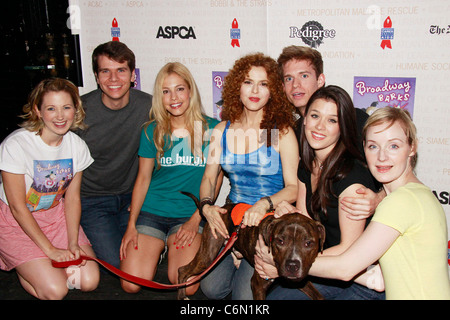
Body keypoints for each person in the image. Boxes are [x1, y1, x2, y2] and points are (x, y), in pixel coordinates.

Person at [257, 107, 450, 299]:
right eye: (373, 146)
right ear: (364, 147)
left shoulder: (401, 202)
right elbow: (381, 279)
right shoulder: (417, 194)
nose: (382, 157)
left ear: (412, 147)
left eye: (393, 146)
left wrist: (284, 264)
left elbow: (346, 268)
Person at [259, 85, 384, 300]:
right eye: (315, 115)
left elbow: (349, 249)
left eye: (332, 120)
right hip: (322, 263)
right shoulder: (307, 164)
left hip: (359, 274)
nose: (320, 126)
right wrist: (286, 213)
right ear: (305, 119)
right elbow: (305, 220)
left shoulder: (351, 178)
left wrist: (286, 264)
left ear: (343, 127)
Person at [198, 53, 299, 300]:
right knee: (211, 289)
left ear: (272, 90)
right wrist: (206, 207)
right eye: (248, 82)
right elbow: (210, 178)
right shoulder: (222, 131)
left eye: (263, 84)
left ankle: (253, 262)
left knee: (244, 299)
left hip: (267, 220)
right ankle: (237, 254)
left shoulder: (277, 131)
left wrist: (264, 203)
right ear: (237, 88)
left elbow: (293, 187)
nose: (255, 90)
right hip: (233, 217)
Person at [119, 62, 221, 295]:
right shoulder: (151, 130)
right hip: (152, 210)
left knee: (186, 285)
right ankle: (157, 248)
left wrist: (197, 218)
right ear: (159, 96)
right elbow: (143, 179)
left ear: (190, 91)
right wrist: (131, 224)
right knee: (131, 284)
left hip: (189, 214)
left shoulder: (213, 130)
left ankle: (169, 247)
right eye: (166, 91)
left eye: (179, 89)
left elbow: (215, 181)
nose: (173, 97)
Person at [0, 78, 99, 300]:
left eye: (66, 107)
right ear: (37, 110)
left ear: (76, 108)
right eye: (51, 108)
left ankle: (40, 266)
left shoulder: (76, 145)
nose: (60, 116)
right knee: (56, 291)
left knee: (86, 282)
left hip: (55, 217)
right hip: (16, 221)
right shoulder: (16, 145)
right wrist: (50, 250)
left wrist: (73, 242)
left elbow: (72, 198)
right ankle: (25, 266)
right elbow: (17, 207)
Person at [277, 45, 383, 219]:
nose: (296, 85)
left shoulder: (355, 120)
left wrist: (379, 199)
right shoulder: (293, 132)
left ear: (320, 80)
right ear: (283, 87)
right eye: (289, 78)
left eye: (304, 76)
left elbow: (401, 171)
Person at [76, 41, 152, 269]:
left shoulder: (149, 106)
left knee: (134, 263)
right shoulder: (79, 111)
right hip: (92, 201)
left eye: (121, 70)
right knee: (119, 265)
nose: (113, 79)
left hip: (132, 199)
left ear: (132, 76)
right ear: (97, 77)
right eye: (105, 71)